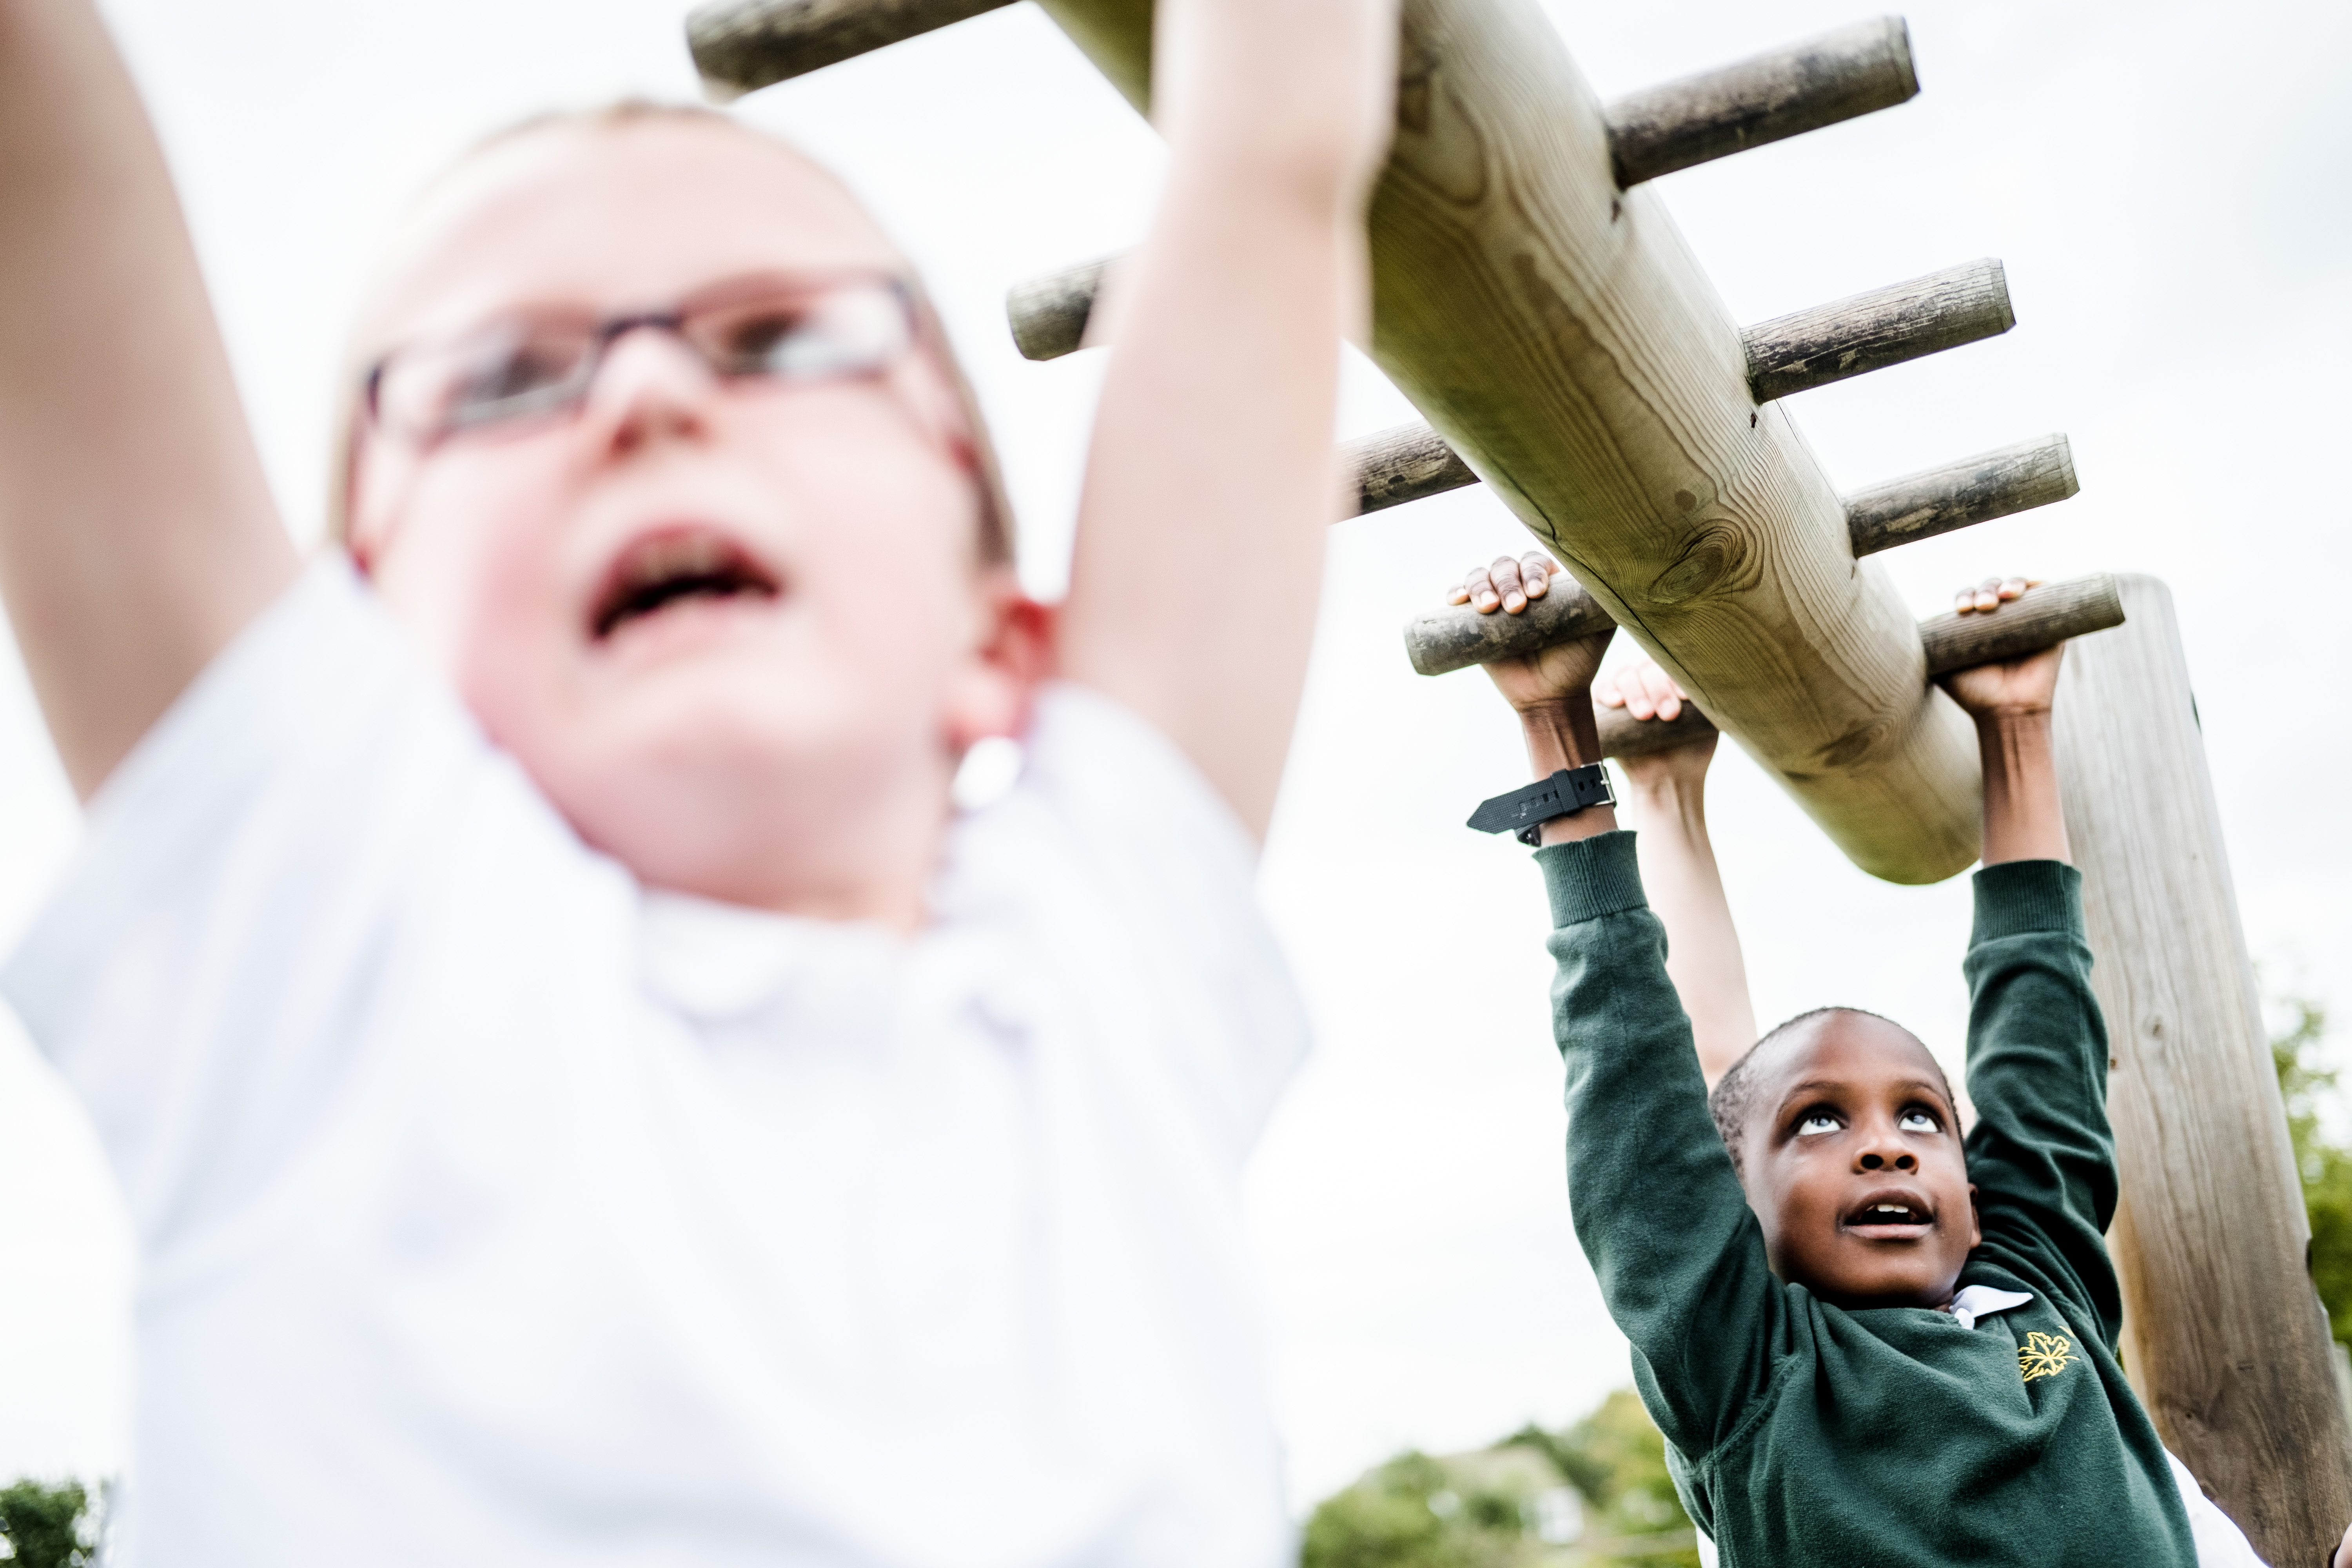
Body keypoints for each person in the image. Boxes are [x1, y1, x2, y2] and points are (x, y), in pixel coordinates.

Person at [0, 0, 1396, 1561]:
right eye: (502, 379)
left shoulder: (1093, 975)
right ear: (353, 668)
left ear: (1002, 634)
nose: (644, 398)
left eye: (784, 338)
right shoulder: (322, 948)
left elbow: (1269, 157)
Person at [1453, 553, 2277, 1565]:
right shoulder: (1752, 1371)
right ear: (1734, 1207)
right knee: (1717, 1073)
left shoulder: (2034, 1291)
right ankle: (1668, 798)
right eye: (1822, 1121)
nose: (1886, 1146)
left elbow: (2042, 1054)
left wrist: (2015, 728)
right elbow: (1639, 1104)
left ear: (1972, 1188)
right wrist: (1556, 733)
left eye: (1923, 1116)